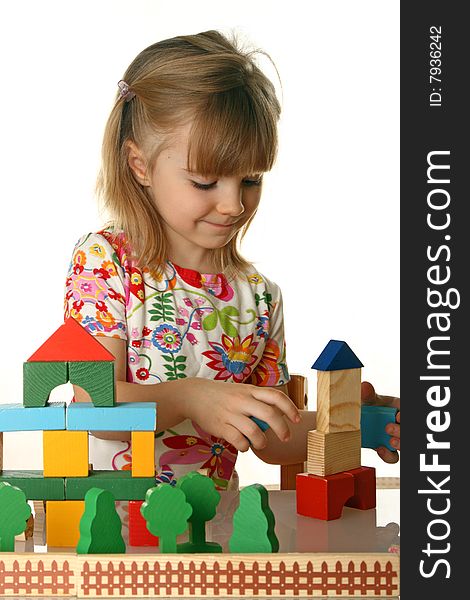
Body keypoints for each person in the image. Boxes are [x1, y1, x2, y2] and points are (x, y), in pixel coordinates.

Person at [64, 30, 400, 499]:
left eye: (251, 179)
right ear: (140, 166)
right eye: (205, 181)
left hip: (220, 525)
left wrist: (349, 424)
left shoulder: (259, 296)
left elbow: (273, 439)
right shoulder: (107, 262)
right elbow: (93, 410)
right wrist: (189, 396)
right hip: (117, 529)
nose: (233, 205)